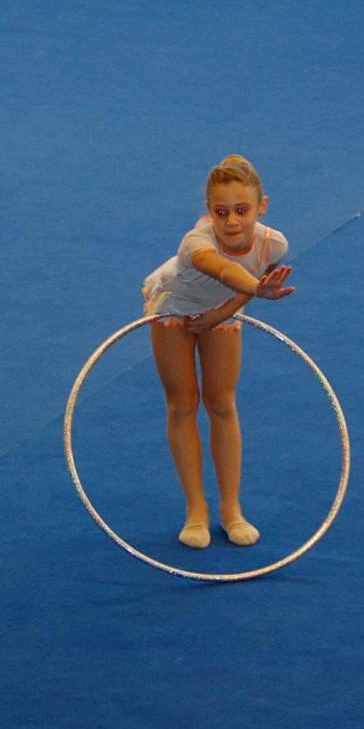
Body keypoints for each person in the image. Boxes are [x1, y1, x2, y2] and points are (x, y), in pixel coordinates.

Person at [141, 155, 294, 549]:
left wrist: (221, 315)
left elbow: (250, 280)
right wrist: (256, 290)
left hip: (222, 309)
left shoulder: (274, 244)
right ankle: (196, 509)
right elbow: (227, 271)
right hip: (175, 304)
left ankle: (231, 509)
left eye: (242, 210)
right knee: (182, 402)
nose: (232, 222)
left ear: (262, 206)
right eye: (221, 212)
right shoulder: (196, 243)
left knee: (222, 402)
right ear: (209, 210)